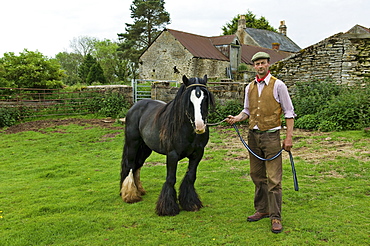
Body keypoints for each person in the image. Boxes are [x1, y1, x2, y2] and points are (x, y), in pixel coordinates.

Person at [226, 51, 296, 234]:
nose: (260, 66)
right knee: (257, 176)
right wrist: (236, 118)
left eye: (263, 63)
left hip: (272, 137)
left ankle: (276, 217)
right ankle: (262, 209)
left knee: (274, 179)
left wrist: (288, 138)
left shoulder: (278, 85)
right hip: (253, 137)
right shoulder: (249, 87)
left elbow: (289, 113)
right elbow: (247, 111)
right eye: (257, 64)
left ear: (268, 65)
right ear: (253, 66)